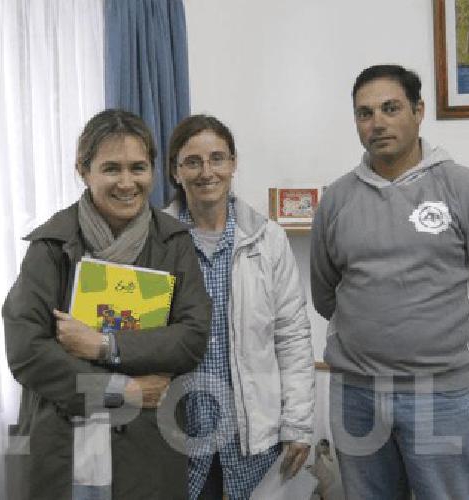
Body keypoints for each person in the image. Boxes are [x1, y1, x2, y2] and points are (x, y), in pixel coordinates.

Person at [309, 64, 469, 500]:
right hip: (356, 394)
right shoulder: (336, 199)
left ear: (419, 111)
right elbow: (325, 293)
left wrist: (442, 342)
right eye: (365, 113)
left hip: (440, 396)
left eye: (390, 108)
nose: (378, 123)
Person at [2, 108, 213, 500]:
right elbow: (25, 350)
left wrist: (105, 345)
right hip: (63, 437)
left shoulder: (174, 243)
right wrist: (121, 389)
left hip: (148, 443)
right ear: (83, 170)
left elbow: (192, 337)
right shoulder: (51, 246)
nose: (127, 183)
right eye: (111, 169)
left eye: (138, 168)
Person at [162, 114, 316, 499]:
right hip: (179, 435)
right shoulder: (156, 242)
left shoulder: (267, 240)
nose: (206, 172)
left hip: (251, 438)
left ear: (233, 164)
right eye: (192, 162)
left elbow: (292, 338)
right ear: (175, 172)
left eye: (217, 158)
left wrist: (297, 424)